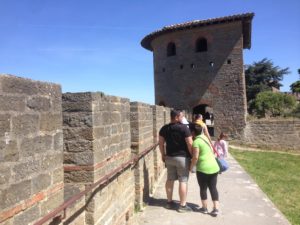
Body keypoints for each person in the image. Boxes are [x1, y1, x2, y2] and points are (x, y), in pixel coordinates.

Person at [159, 109, 193, 213]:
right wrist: (192, 156)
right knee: (183, 180)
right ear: (177, 117)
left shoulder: (164, 129)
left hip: (169, 157)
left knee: (170, 179)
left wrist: (163, 155)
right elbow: (190, 144)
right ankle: (182, 205)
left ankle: (169, 202)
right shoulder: (184, 128)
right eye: (181, 116)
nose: (182, 118)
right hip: (182, 158)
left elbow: (161, 144)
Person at [190, 123, 220, 217]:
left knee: (203, 188)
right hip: (214, 166)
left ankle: (204, 208)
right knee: (213, 187)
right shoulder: (205, 137)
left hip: (203, 168)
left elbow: (195, 157)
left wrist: (191, 167)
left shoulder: (196, 142)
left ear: (193, 133)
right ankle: (216, 209)